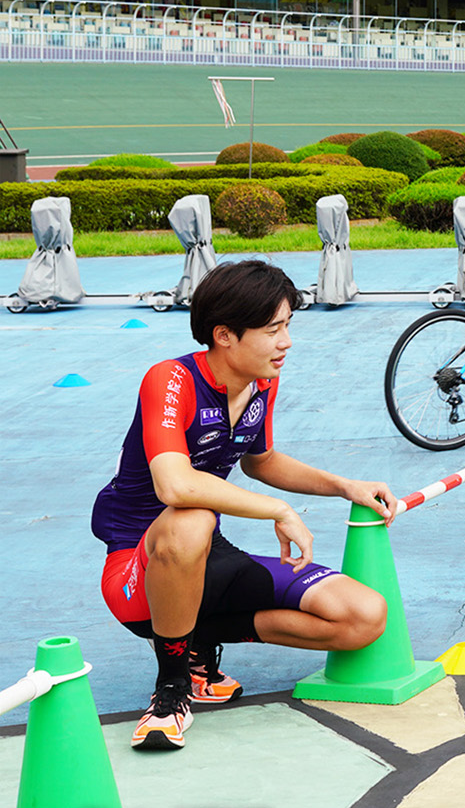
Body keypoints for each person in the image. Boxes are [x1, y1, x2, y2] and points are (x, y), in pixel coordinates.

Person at [93, 260, 400, 751]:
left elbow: (263, 461)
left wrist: (346, 486)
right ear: (225, 336)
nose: (286, 342)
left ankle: (193, 641)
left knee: (362, 616)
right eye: (273, 329)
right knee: (190, 518)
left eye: (288, 327)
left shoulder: (262, 383)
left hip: (209, 555)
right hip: (139, 569)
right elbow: (174, 486)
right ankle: (171, 690)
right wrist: (277, 510)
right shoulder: (170, 380)